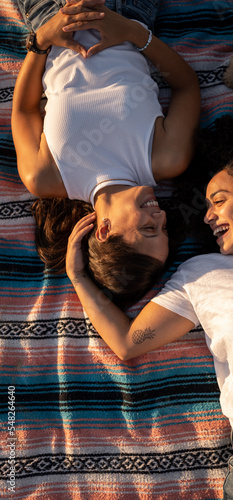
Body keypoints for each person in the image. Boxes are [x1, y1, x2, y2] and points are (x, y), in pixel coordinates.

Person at [65, 125, 233, 499]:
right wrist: (78, 278)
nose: (208, 216)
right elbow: (128, 342)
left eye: (219, 200)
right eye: (206, 205)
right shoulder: (203, 273)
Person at [11, 0, 201, 307]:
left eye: (149, 227)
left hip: (52, 16)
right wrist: (134, 33)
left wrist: (41, 41)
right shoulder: (166, 158)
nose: (162, 215)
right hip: (127, 12)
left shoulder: (46, 176)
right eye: (163, 227)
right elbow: (186, 86)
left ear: (104, 229)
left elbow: (23, 109)